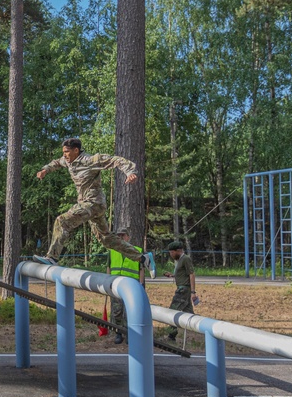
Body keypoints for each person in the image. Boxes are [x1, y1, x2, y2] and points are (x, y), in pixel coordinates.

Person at [33, 138, 154, 277]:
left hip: (92, 203)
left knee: (62, 221)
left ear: (76, 150)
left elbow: (116, 160)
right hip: (91, 206)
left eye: (67, 152)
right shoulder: (67, 160)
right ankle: (143, 258)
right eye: (63, 152)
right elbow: (56, 163)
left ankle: (52, 258)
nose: (64, 155)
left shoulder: (91, 160)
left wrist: (130, 172)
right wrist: (45, 170)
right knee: (106, 239)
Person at [108, 227, 145, 345]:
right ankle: (119, 333)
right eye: (118, 235)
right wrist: (108, 282)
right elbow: (108, 267)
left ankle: (130, 333)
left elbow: (141, 269)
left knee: (131, 310)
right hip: (116, 285)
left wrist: (141, 284)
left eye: (123, 235)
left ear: (128, 237)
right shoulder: (112, 251)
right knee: (117, 311)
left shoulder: (137, 250)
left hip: (132, 286)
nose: (120, 238)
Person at [163, 240, 196, 341]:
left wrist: (193, 292)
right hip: (182, 287)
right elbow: (183, 274)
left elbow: (191, 274)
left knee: (173, 310)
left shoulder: (185, 259)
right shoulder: (179, 261)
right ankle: (200, 329)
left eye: (172, 252)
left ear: (178, 251)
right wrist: (172, 275)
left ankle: (171, 335)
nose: (171, 255)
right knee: (189, 313)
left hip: (183, 290)